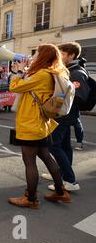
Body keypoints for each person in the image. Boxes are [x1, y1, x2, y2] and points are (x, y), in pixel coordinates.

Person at [8, 44, 71, 209]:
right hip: (41, 124)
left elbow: (14, 86)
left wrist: (19, 71)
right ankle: (60, 191)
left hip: (31, 123)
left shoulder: (42, 74)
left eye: (36, 54)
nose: (33, 56)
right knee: (46, 156)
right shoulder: (52, 72)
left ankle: (30, 198)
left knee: (29, 161)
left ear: (43, 57)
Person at [44, 42, 91, 192]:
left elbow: (80, 96)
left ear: (71, 55)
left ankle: (70, 180)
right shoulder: (69, 70)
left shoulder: (77, 73)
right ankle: (62, 173)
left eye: (62, 54)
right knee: (64, 146)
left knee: (53, 146)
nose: (59, 56)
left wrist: (60, 96)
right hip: (65, 114)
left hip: (64, 115)